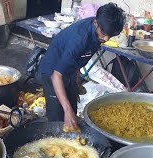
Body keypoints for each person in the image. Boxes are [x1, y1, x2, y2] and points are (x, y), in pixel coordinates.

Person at [39, 3, 125, 131]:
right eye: (104, 33)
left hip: (69, 72)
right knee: (58, 120)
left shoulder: (98, 33)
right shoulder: (80, 39)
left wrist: (76, 82)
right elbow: (56, 76)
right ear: (96, 23)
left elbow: (79, 59)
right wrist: (67, 111)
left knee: (71, 113)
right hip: (52, 73)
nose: (106, 38)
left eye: (110, 35)